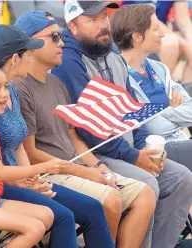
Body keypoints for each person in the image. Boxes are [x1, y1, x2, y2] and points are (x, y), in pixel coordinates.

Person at [0, 24, 115, 248]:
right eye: (30, 53)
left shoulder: (9, 95)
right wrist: (32, 179)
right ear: (15, 59)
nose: (34, 57)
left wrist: (33, 181)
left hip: (11, 183)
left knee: (91, 208)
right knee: (62, 217)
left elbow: (18, 146)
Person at [51, 1, 192, 248]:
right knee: (147, 184)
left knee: (181, 178)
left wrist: (142, 147)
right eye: (92, 20)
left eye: (104, 16)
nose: (102, 25)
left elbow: (132, 107)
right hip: (93, 152)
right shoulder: (68, 61)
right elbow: (89, 128)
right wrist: (133, 156)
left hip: (125, 147)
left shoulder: (111, 50)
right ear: (72, 26)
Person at [14, 11, 156, 247]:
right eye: (54, 37)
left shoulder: (56, 83)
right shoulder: (20, 88)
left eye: (61, 36)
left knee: (145, 194)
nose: (62, 43)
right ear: (30, 44)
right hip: (49, 172)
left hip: (74, 165)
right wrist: (84, 172)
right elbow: (30, 153)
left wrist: (97, 166)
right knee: (110, 199)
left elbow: (73, 137)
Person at [110, 3, 192, 169]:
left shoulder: (158, 67)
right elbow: (154, 128)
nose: (162, 34)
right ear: (137, 37)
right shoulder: (120, 75)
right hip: (158, 151)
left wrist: (163, 110)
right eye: (156, 29)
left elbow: (190, 110)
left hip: (180, 142)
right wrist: (171, 107)